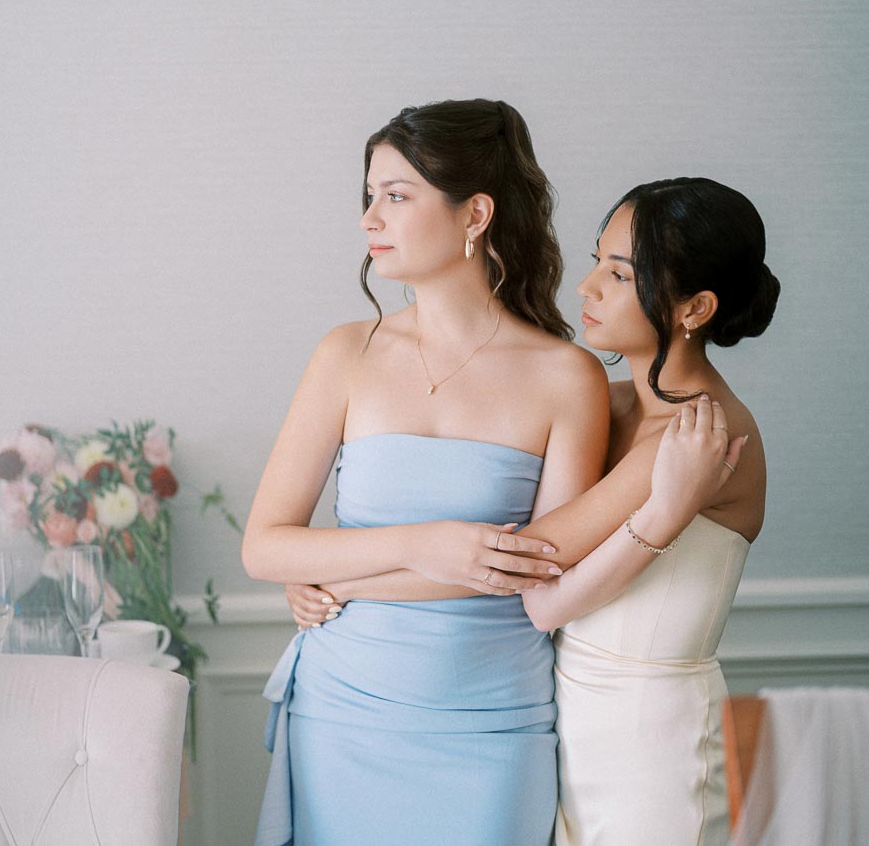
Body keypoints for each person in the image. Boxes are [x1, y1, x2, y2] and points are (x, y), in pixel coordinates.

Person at [287, 177, 779, 845]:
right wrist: (325, 569)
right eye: (597, 261)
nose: (588, 287)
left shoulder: (697, 433)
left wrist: (344, 582)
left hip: (652, 742)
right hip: (573, 722)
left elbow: (526, 566)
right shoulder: (613, 404)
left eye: (620, 273)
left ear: (695, 308)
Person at [242, 98, 610, 846]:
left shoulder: (568, 377)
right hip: (343, 712)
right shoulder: (347, 353)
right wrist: (418, 544)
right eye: (369, 196)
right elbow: (265, 547)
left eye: (396, 196)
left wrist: (344, 576)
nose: (369, 219)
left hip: (491, 723)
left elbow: (539, 569)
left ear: (475, 214)